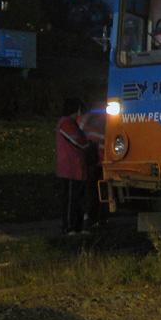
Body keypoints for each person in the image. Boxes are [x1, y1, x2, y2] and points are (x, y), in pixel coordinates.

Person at [56, 98, 90, 234]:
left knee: (78, 199)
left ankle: (77, 227)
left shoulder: (69, 123)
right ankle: (69, 227)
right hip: (70, 169)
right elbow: (79, 141)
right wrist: (87, 143)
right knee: (71, 200)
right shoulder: (66, 123)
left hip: (77, 169)